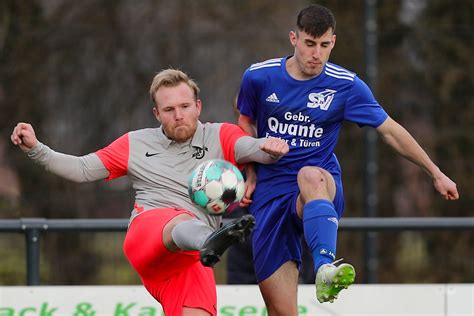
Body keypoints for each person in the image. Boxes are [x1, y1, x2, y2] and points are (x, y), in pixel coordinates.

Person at [235, 4, 459, 315]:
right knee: (280, 309)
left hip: (320, 185)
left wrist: (435, 172)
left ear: (333, 42)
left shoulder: (345, 85)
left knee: (309, 176)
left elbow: (391, 131)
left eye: (324, 45)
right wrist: (251, 175)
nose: (316, 53)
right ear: (293, 39)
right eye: (309, 44)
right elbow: (244, 123)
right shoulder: (258, 77)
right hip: (271, 192)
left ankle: (326, 267)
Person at [11, 69, 289, 316]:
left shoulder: (221, 136)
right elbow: (82, 169)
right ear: (156, 114)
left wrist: (273, 147)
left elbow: (254, 149)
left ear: (198, 106)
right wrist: (36, 149)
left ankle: (209, 239)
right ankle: (211, 237)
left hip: (193, 257)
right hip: (150, 235)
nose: (178, 115)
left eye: (185, 106)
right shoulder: (135, 143)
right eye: (169, 110)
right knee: (180, 221)